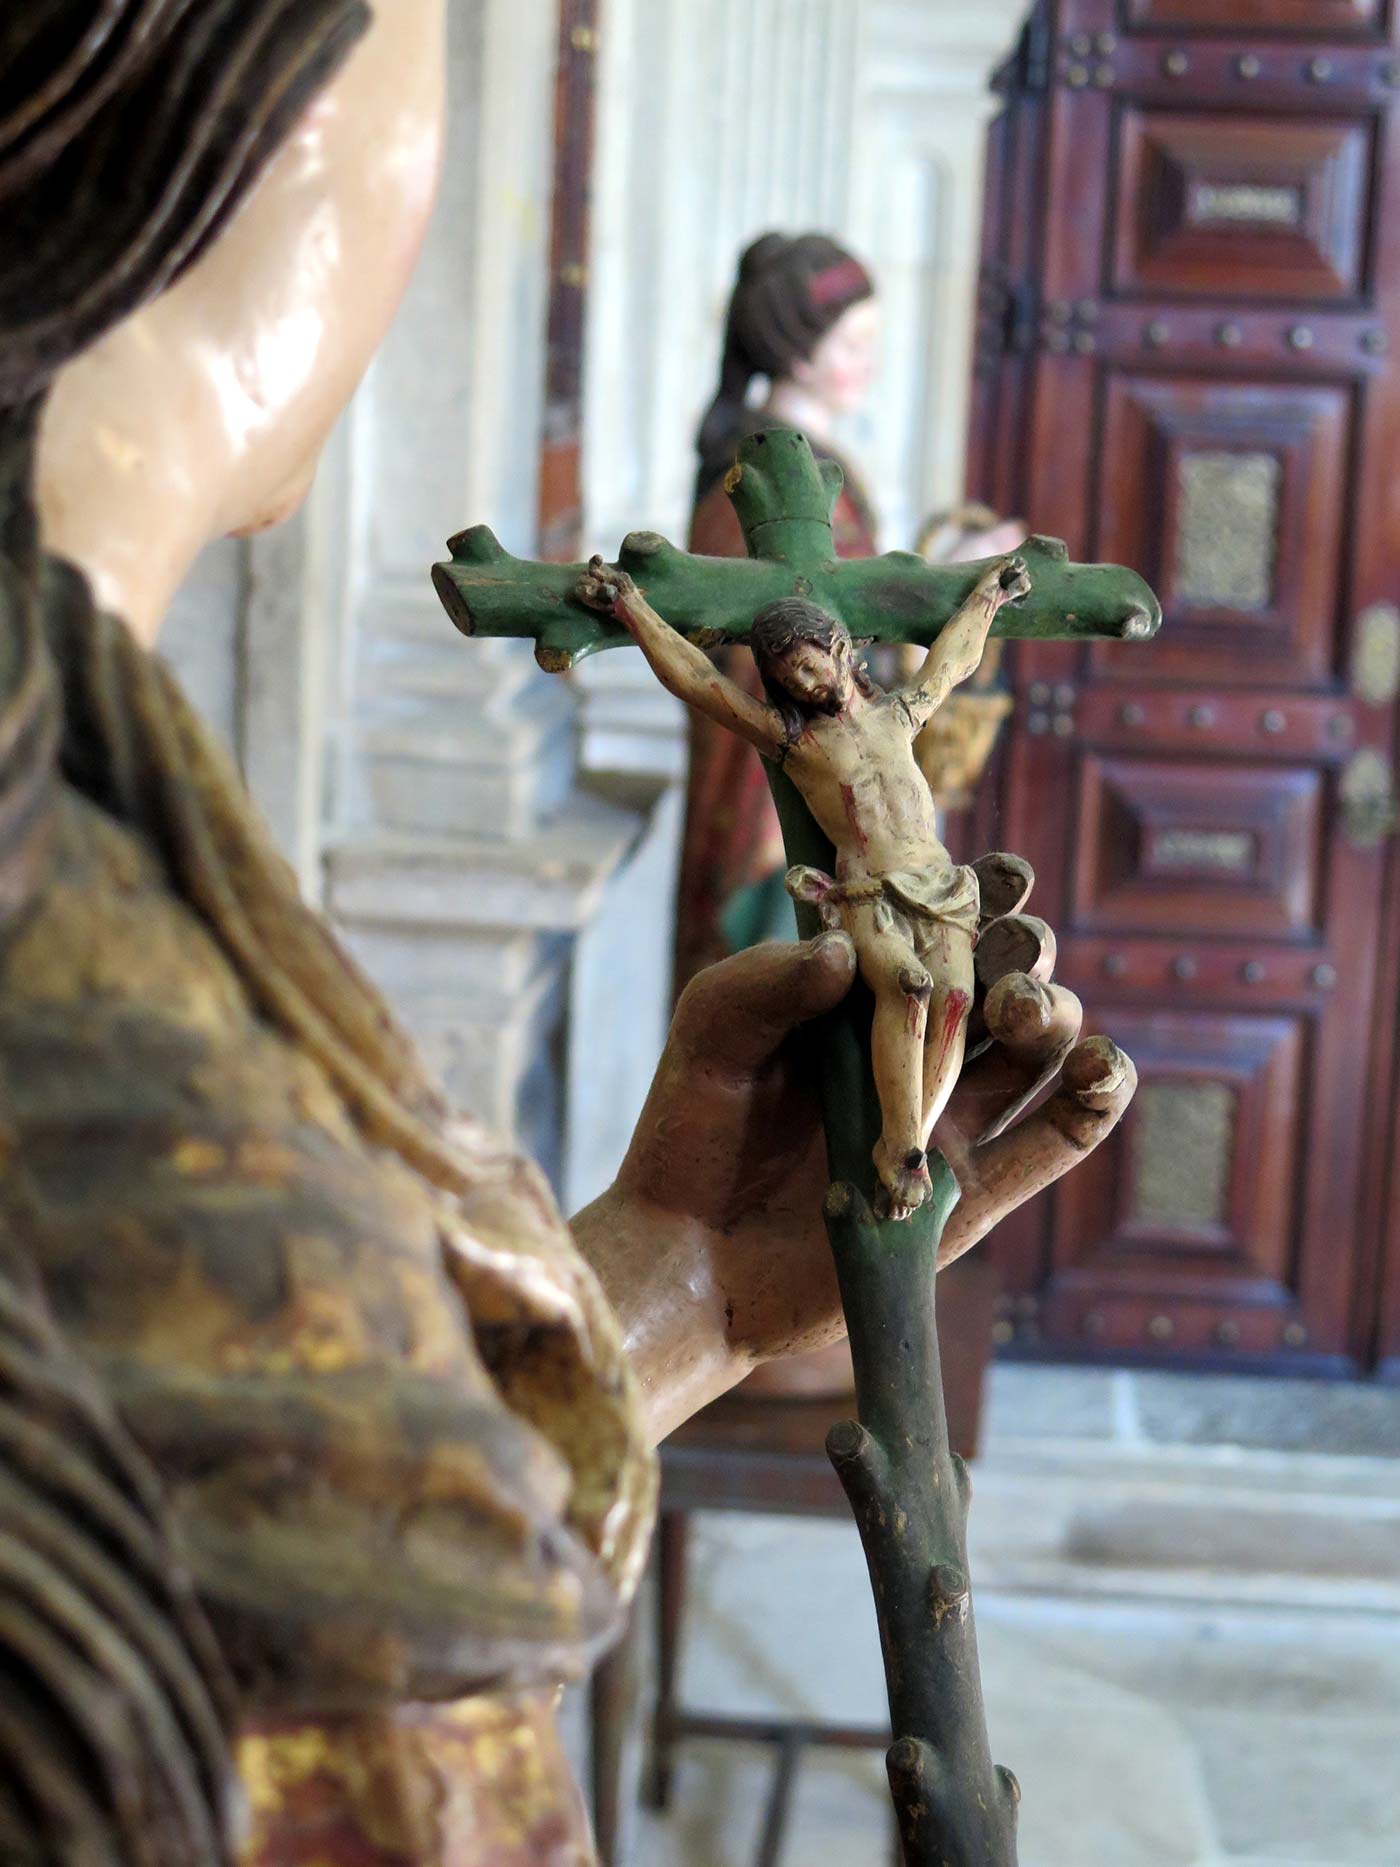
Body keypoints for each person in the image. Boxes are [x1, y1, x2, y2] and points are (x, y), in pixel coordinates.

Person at [0, 3, 1137, 1860]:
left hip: (896, 901)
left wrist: (674, 1281)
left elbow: (325, 1508)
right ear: (255, 115)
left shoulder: (106, 863)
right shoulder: (103, 1037)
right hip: (830, 880)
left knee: (912, 1052)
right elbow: (323, 1681)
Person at [579, 556, 1031, 1218]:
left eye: (813, 666)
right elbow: (701, 682)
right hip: (871, 896)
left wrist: (989, 597)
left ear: (841, 652)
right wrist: (632, 607)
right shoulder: (795, 743)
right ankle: (902, 1145)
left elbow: (951, 663)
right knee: (909, 986)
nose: (809, 684)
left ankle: (914, 1144)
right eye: (793, 679)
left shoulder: (899, 714)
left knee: (956, 1000)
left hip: (940, 885)